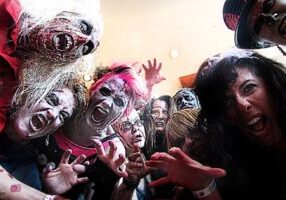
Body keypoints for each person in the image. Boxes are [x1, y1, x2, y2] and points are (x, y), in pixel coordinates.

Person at [147, 48, 286, 200]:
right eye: (227, 100)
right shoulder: (241, 164)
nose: (242, 104)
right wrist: (204, 187)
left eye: (248, 87)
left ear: (270, 84)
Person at [35, 64, 148, 199]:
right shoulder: (63, 109)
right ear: (93, 89)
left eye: (118, 102)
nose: (107, 103)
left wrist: (111, 177)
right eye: (105, 91)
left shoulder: (112, 153)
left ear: (122, 114)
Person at [0, 0, 102, 135]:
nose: (82, 40)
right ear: (63, 13)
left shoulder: (13, 83)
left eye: (86, 49)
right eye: (83, 27)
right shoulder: (7, 9)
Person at [0, 79, 88, 199]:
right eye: (52, 100)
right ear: (30, 91)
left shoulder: (28, 171)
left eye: (62, 116)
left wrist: (48, 191)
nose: (53, 114)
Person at [112, 109, 152, 200]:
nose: (135, 128)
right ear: (117, 134)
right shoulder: (116, 168)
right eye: (127, 125)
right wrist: (129, 184)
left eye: (138, 122)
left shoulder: (148, 155)